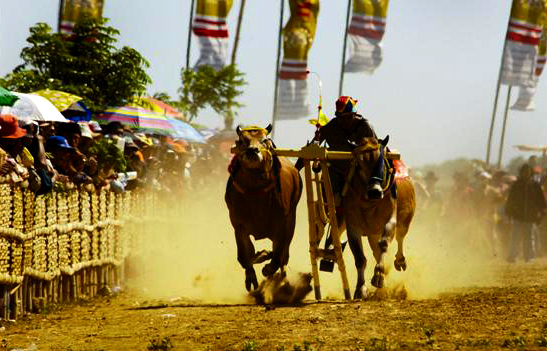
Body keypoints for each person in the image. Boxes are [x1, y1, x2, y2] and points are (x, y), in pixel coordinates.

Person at [297, 96, 384, 202]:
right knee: (331, 191)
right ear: (337, 117)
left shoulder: (365, 127)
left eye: (349, 117)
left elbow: (377, 151)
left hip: (358, 170)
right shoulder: (331, 127)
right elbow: (311, 150)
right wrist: (295, 170)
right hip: (335, 170)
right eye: (342, 118)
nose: (345, 121)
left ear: (355, 115)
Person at [505, 163, 547, 262]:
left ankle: (529, 257)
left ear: (530, 173)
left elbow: (541, 200)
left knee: (529, 237)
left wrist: (543, 211)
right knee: (515, 236)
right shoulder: (516, 185)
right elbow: (510, 199)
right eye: (524, 171)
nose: (526, 173)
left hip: (530, 216)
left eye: (528, 171)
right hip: (517, 215)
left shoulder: (535, 185)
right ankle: (512, 256)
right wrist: (509, 212)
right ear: (521, 172)